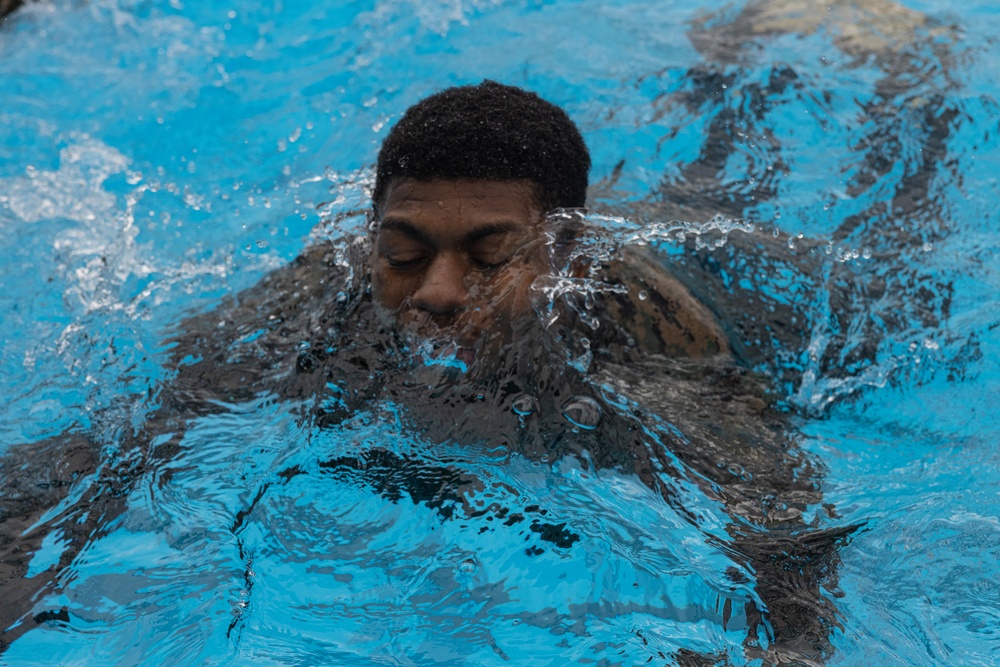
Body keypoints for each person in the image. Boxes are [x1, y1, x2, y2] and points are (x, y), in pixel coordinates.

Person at [1, 81, 846, 664]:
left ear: (563, 253)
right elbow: (118, 441)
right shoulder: (318, 298)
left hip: (744, 277)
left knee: (742, 168)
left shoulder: (647, 342)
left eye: (488, 256)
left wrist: (778, 645)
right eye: (404, 251)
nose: (437, 293)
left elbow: (779, 517)